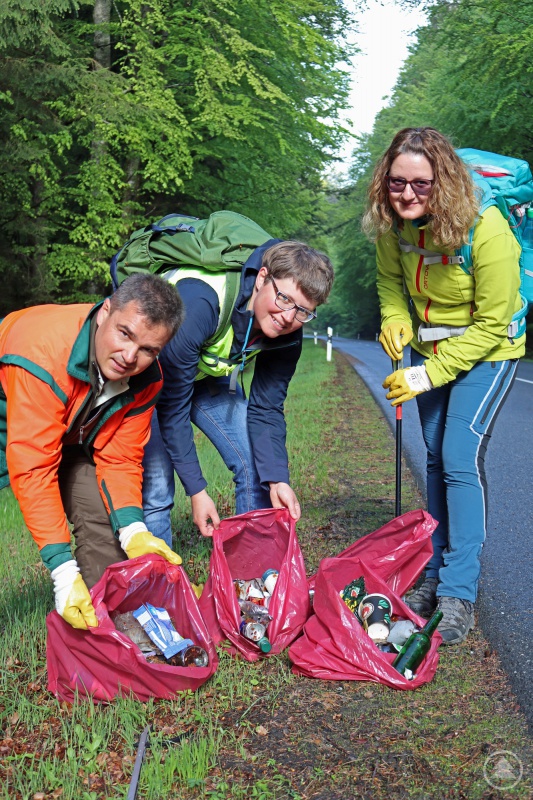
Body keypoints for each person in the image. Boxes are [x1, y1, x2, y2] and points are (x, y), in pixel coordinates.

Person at [363, 127, 525, 645]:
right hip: (429, 349)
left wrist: (426, 374)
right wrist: (395, 320)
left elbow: (494, 323)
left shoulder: (488, 228)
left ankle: (458, 594)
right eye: (396, 183)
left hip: (488, 352)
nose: (407, 194)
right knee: (432, 457)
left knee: (458, 459)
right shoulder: (395, 227)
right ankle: (430, 577)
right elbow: (391, 284)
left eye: (421, 185)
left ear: (445, 182)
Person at [0, 273, 185, 630]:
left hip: (69, 427)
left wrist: (133, 530)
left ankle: (115, 629)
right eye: (125, 333)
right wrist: (62, 571)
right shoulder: (43, 351)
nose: (130, 356)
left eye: (148, 349)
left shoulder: (148, 379)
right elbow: (34, 468)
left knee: (100, 514)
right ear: (104, 312)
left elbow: (120, 458)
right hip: (16, 411)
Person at [142, 239, 334, 541]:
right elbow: (172, 408)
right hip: (150, 378)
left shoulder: (288, 333)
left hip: (204, 375)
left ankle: (252, 574)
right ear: (262, 279)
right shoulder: (200, 303)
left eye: (302, 311)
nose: (287, 317)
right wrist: (197, 491)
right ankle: (158, 583)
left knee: (257, 464)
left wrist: (278, 480)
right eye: (284, 299)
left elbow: (267, 409)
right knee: (157, 486)